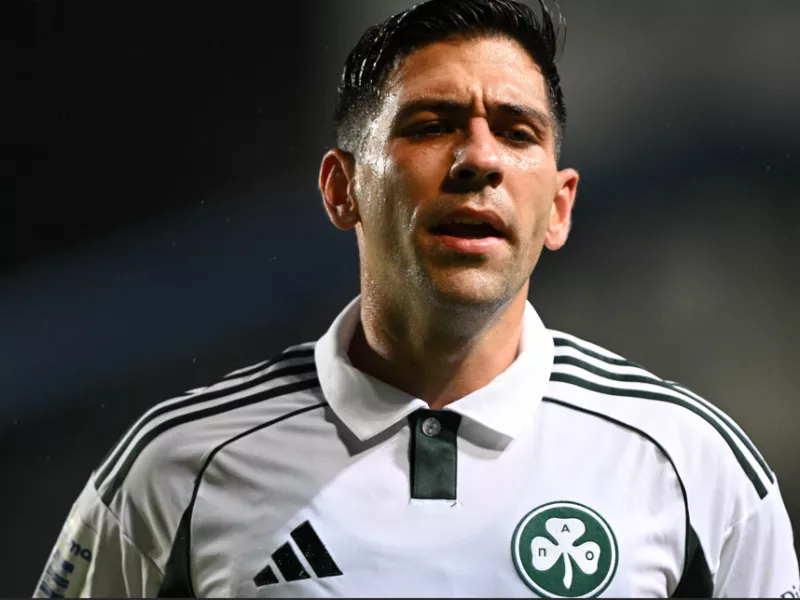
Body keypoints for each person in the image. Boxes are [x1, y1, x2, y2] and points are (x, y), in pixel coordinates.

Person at [34, 0, 798, 597]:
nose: (479, 160)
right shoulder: (181, 467)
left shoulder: (690, 465)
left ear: (560, 208)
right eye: (432, 126)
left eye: (517, 132)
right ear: (342, 189)